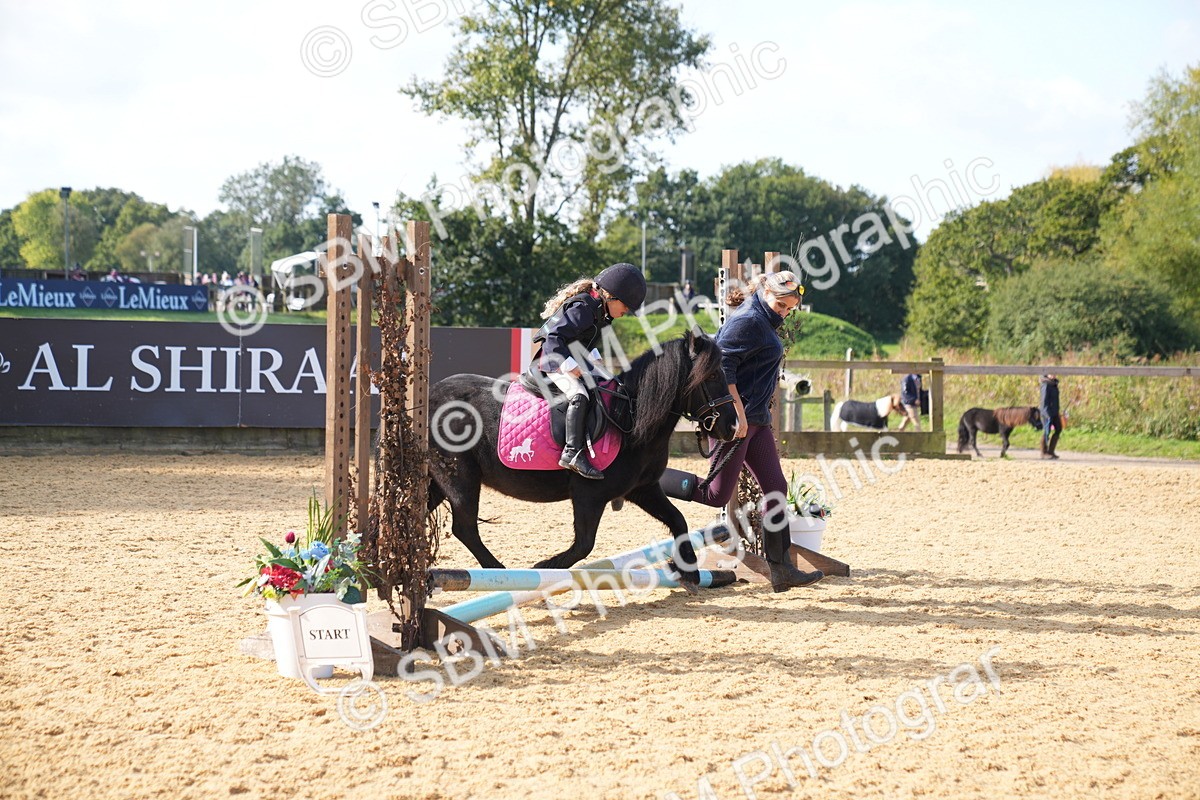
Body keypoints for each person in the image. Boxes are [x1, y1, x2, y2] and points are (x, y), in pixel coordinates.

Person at [657, 271, 824, 592]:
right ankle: (643, 478)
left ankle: (782, 568)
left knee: (776, 489)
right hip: (733, 423)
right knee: (715, 494)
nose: (784, 313)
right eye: (780, 305)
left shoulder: (763, 319)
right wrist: (735, 413)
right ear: (765, 292)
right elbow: (720, 367)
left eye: (790, 309)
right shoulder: (748, 320)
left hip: (757, 420)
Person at [528, 263, 647, 480]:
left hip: (567, 358)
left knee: (607, 387)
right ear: (612, 296)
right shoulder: (583, 307)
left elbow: (582, 338)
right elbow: (554, 338)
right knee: (579, 395)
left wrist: (593, 356)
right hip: (551, 362)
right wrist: (567, 365)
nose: (627, 311)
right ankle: (572, 452)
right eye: (626, 305)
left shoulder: (599, 311)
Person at [1039, 374, 1063, 459]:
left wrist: (1058, 411)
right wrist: (1047, 414)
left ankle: (1051, 451)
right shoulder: (1045, 386)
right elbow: (1043, 402)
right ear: (1047, 375)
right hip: (1047, 413)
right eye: (1051, 373)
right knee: (1047, 431)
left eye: (1055, 373)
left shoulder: (1054, 385)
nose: (1054, 375)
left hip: (1055, 412)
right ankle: (1044, 452)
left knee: (1059, 429)